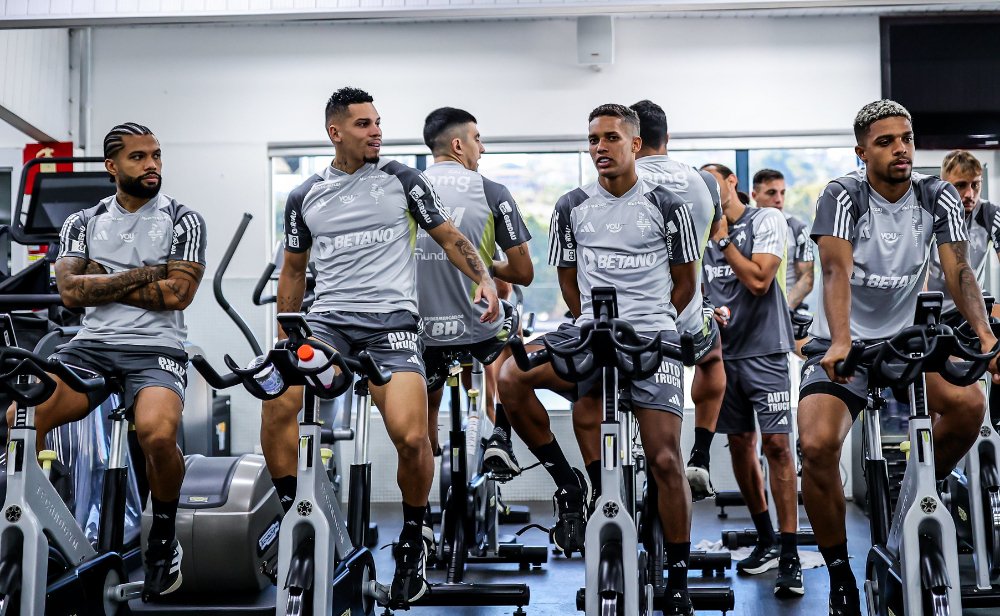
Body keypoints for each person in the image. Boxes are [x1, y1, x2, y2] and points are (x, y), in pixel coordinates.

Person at [260, 88, 500, 606]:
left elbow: (448, 235)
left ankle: (414, 537)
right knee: (278, 403)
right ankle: (291, 512)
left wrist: (484, 279)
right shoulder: (304, 196)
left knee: (413, 438)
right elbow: (295, 271)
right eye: (365, 124)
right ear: (336, 132)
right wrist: (286, 337)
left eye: (378, 123)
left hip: (391, 323)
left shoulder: (402, 180)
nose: (376, 132)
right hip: (326, 323)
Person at [797, 99, 1000, 616]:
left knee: (970, 408)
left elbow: (959, 273)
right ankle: (840, 573)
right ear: (862, 151)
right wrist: (841, 339)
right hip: (841, 346)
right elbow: (836, 271)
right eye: (885, 141)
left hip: (907, 343)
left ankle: (918, 492)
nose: (900, 149)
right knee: (817, 446)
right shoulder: (844, 195)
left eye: (905, 138)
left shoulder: (939, 196)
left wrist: (985, 337)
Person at [498, 103, 701, 615]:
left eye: (611, 138)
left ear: (636, 145)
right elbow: (569, 284)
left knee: (664, 461)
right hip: (592, 334)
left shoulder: (667, 203)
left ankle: (677, 579)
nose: (600, 147)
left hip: (652, 338)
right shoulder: (570, 205)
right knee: (512, 376)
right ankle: (576, 484)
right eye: (593, 139)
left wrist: (653, 322)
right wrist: (587, 320)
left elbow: (686, 283)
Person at [5, 122, 207, 600]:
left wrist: (105, 278)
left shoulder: (184, 220)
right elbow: (71, 295)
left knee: (157, 434)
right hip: (91, 347)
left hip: (156, 350)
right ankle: (30, 524)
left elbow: (178, 294)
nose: (152, 164)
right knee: (21, 418)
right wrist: (146, 274)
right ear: (112, 167)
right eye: (139, 157)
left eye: (156, 155)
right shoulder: (83, 222)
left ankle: (162, 538)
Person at [415, 105, 533, 498]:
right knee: (509, 322)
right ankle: (499, 431)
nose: (481, 148)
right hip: (475, 328)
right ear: (458, 144)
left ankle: (428, 440)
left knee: (425, 407)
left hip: (419, 334)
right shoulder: (490, 190)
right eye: (477, 139)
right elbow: (523, 273)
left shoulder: (405, 190)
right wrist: (487, 267)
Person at [701, 162, 802, 597]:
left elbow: (760, 280)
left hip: (765, 351)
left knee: (778, 445)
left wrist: (723, 239)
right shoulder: (697, 235)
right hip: (723, 356)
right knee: (740, 444)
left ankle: (792, 553)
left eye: (713, 183)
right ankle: (766, 539)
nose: (708, 193)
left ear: (732, 182)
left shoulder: (767, 218)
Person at [926, 150, 1000, 324]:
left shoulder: (991, 214)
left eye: (975, 185)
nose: (969, 194)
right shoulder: (927, 214)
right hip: (931, 309)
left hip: (971, 307)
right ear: (943, 184)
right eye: (960, 185)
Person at [753, 168, 815, 355]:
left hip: (788, 311)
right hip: (751, 313)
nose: (779, 199)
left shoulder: (797, 228)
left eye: (782, 192)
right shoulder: (744, 225)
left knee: (817, 361)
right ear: (754, 195)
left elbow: (807, 279)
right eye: (771, 193)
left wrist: (782, 309)